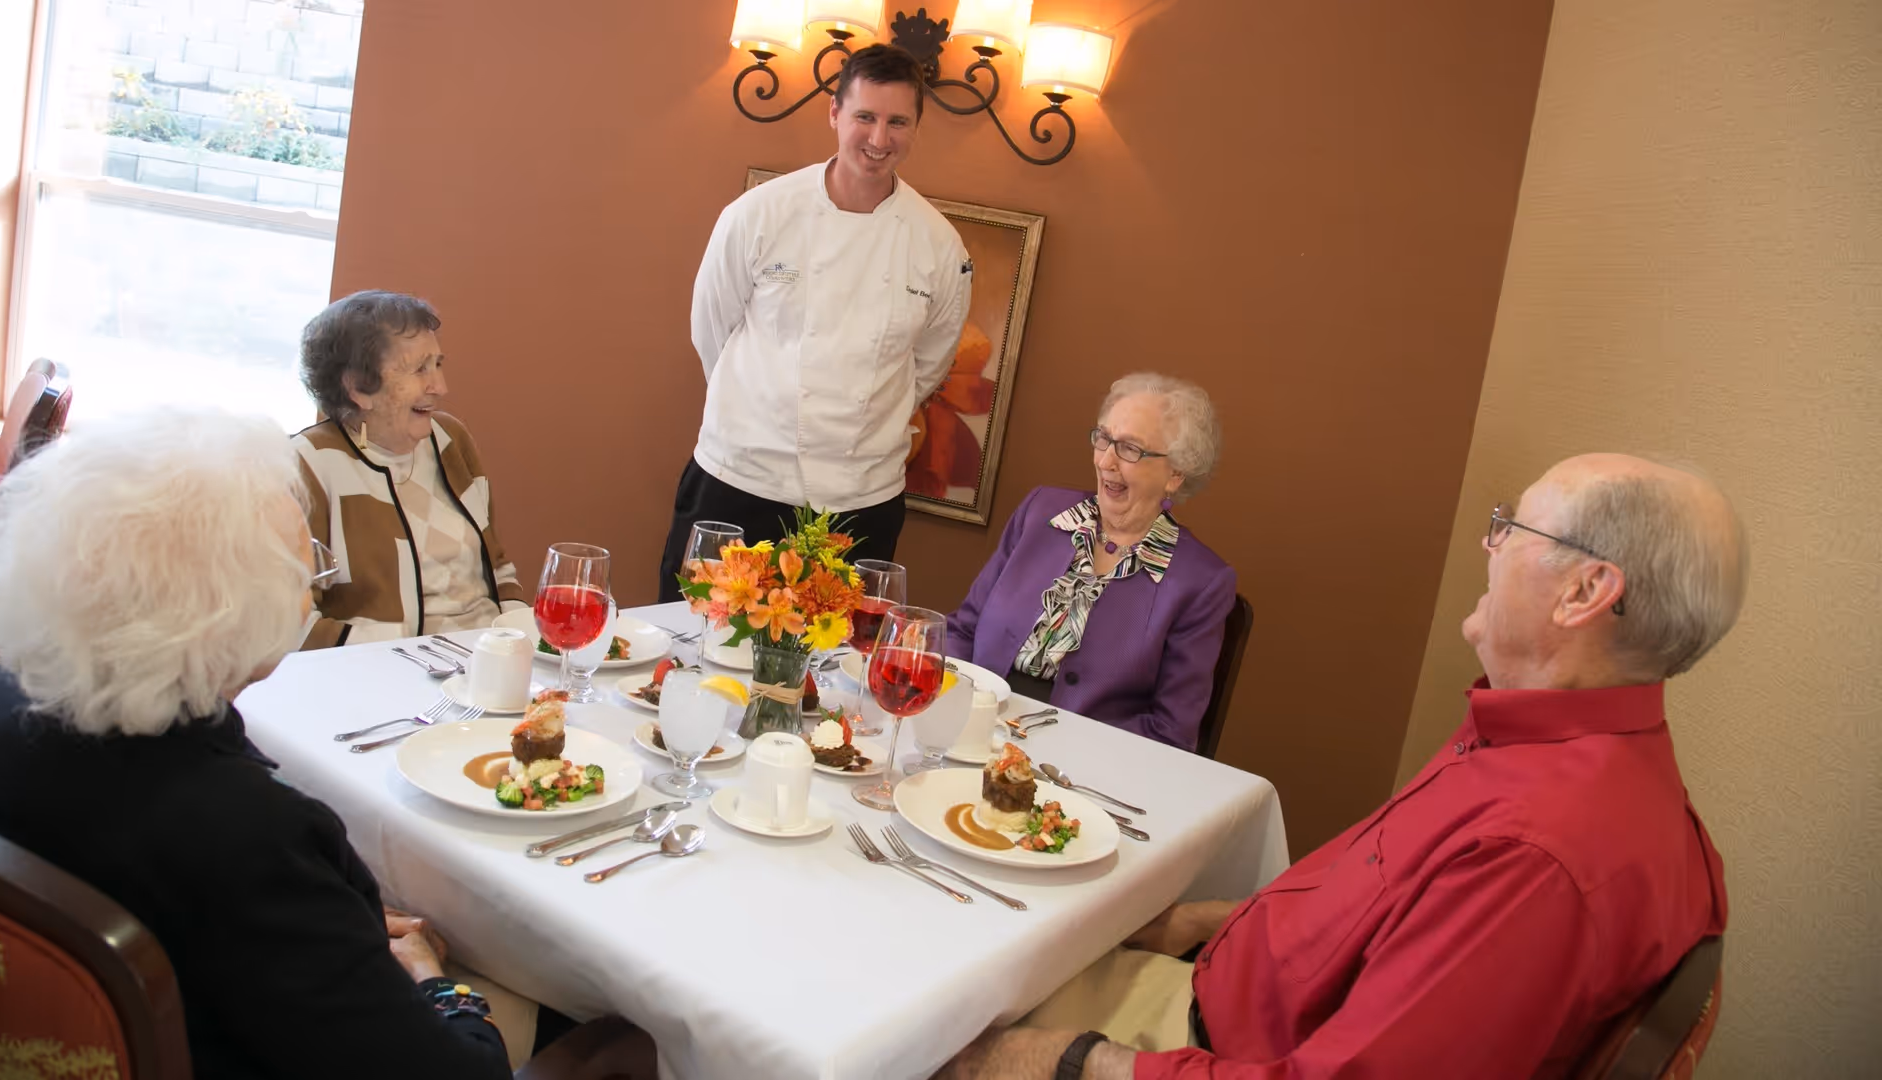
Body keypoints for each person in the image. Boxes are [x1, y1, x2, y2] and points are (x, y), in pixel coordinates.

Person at [938, 453, 1745, 1079]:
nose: (1488, 546)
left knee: (929, 1021)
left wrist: (1067, 1060)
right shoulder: (1548, 750)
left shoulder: (1539, 858)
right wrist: (1186, 921)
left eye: (1512, 529)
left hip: (1198, 1044)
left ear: (1585, 592)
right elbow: (1379, 922)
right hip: (1221, 991)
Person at [0, 408, 515, 1078]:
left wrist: (336, 922)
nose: (310, 584)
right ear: (228, 615)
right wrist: (437, 985)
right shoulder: (249, 835)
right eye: (304, 567)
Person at [657, 43, 974, 599]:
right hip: (740, 477)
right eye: (865, 117)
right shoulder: (759, 214)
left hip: (859, 499)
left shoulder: (939, 246)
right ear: (834, 113)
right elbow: (710, 330)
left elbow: (927, 369)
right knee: (694, 650)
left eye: (898, 121)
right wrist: (761, 409)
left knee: (831, 672)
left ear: (917, 127)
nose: (879, 139)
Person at [945, 374, 1236, 751]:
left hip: (1078, 766)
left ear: (1176, 474)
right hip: (970, 727)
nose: (1106, 460)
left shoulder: (1201, 582)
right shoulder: (1040, 512)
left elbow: (1170, 731)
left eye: (1131, 448)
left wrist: (1056, 748)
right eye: (1103, 438)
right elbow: (963, 629)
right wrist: (957, 708)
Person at [294, 290, 526, 647]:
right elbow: (289, 621)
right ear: (358, 387)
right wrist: (397, 649)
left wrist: (519, 638)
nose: (441, 386)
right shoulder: (308, 465)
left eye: (438, 364)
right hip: (388, 673)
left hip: (487, 661)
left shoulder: (450, 439)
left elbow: (495, 565)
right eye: (420, 369)